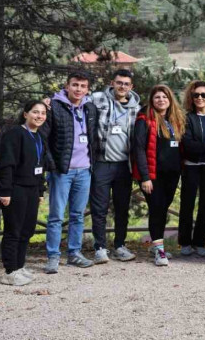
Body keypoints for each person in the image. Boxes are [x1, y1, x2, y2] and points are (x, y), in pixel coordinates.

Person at [41, 71, 99, 273]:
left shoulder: (90, 108)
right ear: (67, 86)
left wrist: (94, 163)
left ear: (87, 89)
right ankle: (53, 257)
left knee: (77, 215)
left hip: (84, 170)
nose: (79, 89)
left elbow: (94, 138)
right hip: (62, 171)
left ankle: (74, 253)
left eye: (83, 86)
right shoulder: (53, 107)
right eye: (75, 85)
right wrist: (52, 165)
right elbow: (44, 138)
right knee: (56, 216)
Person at [89, 69, 141, 264]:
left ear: (131, 87)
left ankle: (119, 245)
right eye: (119, 83)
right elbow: (75, 98)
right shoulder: (98, 99)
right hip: (102, 162)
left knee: (121, 208)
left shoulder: (136, 108)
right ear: (112, 83)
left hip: (123, 166)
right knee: (99, 208)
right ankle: (100, 247)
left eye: (126, 84)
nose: (122, 87)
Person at [0, 101, 48, 286]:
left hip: (32, 189)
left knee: (27, 230)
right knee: (13, 230)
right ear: (25, 114)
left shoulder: (40, 136)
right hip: (15, 188)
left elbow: (41, 166)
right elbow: (7, 165)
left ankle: (19, 266)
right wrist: (5, 191)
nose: (39, 116)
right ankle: (9, 271)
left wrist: (40, 190)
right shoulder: (15, 134)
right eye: (35, 112)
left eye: (42, 113)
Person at [132, 85, 185, 266]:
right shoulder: (144, 119)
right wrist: (145, 177)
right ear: (151, 101)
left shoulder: (174, 120)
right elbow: (138, 148)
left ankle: (158, 246)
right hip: (152, 176)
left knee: (162, 209)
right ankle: (159, 252)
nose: (161, 100)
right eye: (157, 97)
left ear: (169, 100)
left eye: (164, 97)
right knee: (156, 208)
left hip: (172, 175)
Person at [179, 80, 205, 257]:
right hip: (191, 167)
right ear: (191, 98)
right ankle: (185, 243)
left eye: (204, 95)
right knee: (187, 205)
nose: (200, 98)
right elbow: (188, 145)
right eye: (196, 95)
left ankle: (200, 243)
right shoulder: (187, 118)